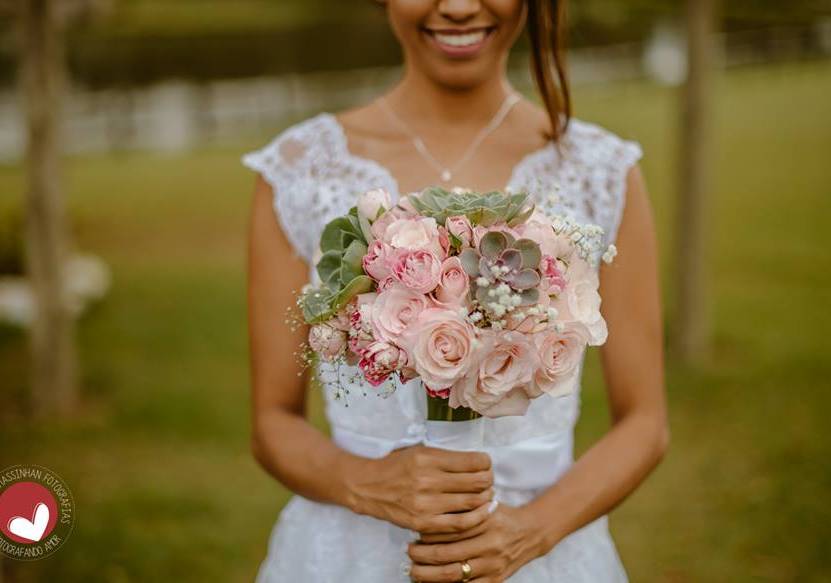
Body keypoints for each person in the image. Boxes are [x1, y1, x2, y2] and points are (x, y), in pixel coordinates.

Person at [243, 1, 668, 581]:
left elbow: (645, 422)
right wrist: (368, 484)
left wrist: (527, 534)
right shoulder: (299, 170)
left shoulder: (599, 169)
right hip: (350, 554)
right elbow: (272, 422)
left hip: (544, 555)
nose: (461, 6)